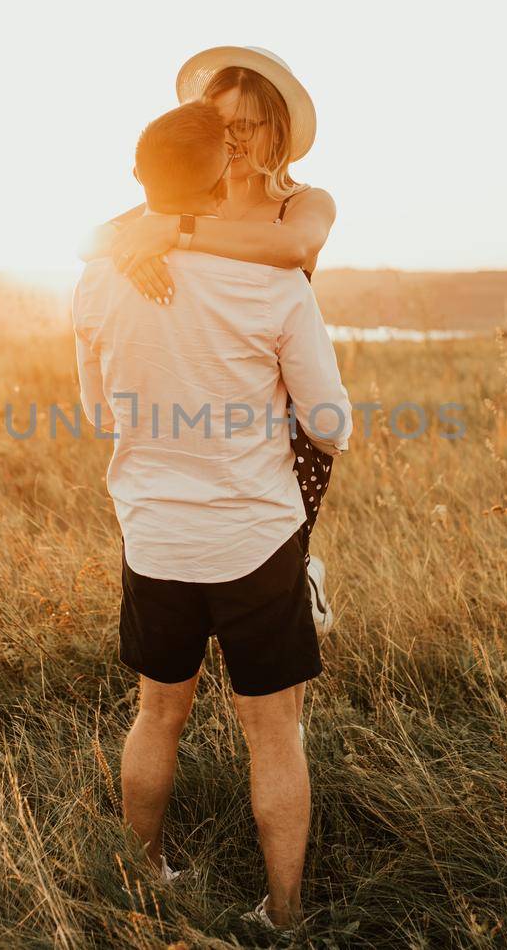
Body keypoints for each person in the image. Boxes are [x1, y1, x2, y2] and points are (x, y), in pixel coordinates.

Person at [72, 99, 352, 933]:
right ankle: (286, 912)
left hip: (153, 537)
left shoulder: (95, 279)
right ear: (219, 176)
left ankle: (147, 872)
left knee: (157, 712)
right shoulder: (273, 284)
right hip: (254, 539)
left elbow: (99, 416)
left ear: (139, 178)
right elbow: (330, 423)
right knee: (275, 737)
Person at [82, 47, 341, 739]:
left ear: (278, 133)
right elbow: (90, 244)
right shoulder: (159, 207)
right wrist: (136, 252)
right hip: (190, 403)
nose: (235, 140)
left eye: (252, 125)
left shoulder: (300, 203)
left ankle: (297, 569)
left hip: (279, 396)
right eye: (222, 124)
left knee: (280, 524)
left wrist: (176, 232)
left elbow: (298, 250)